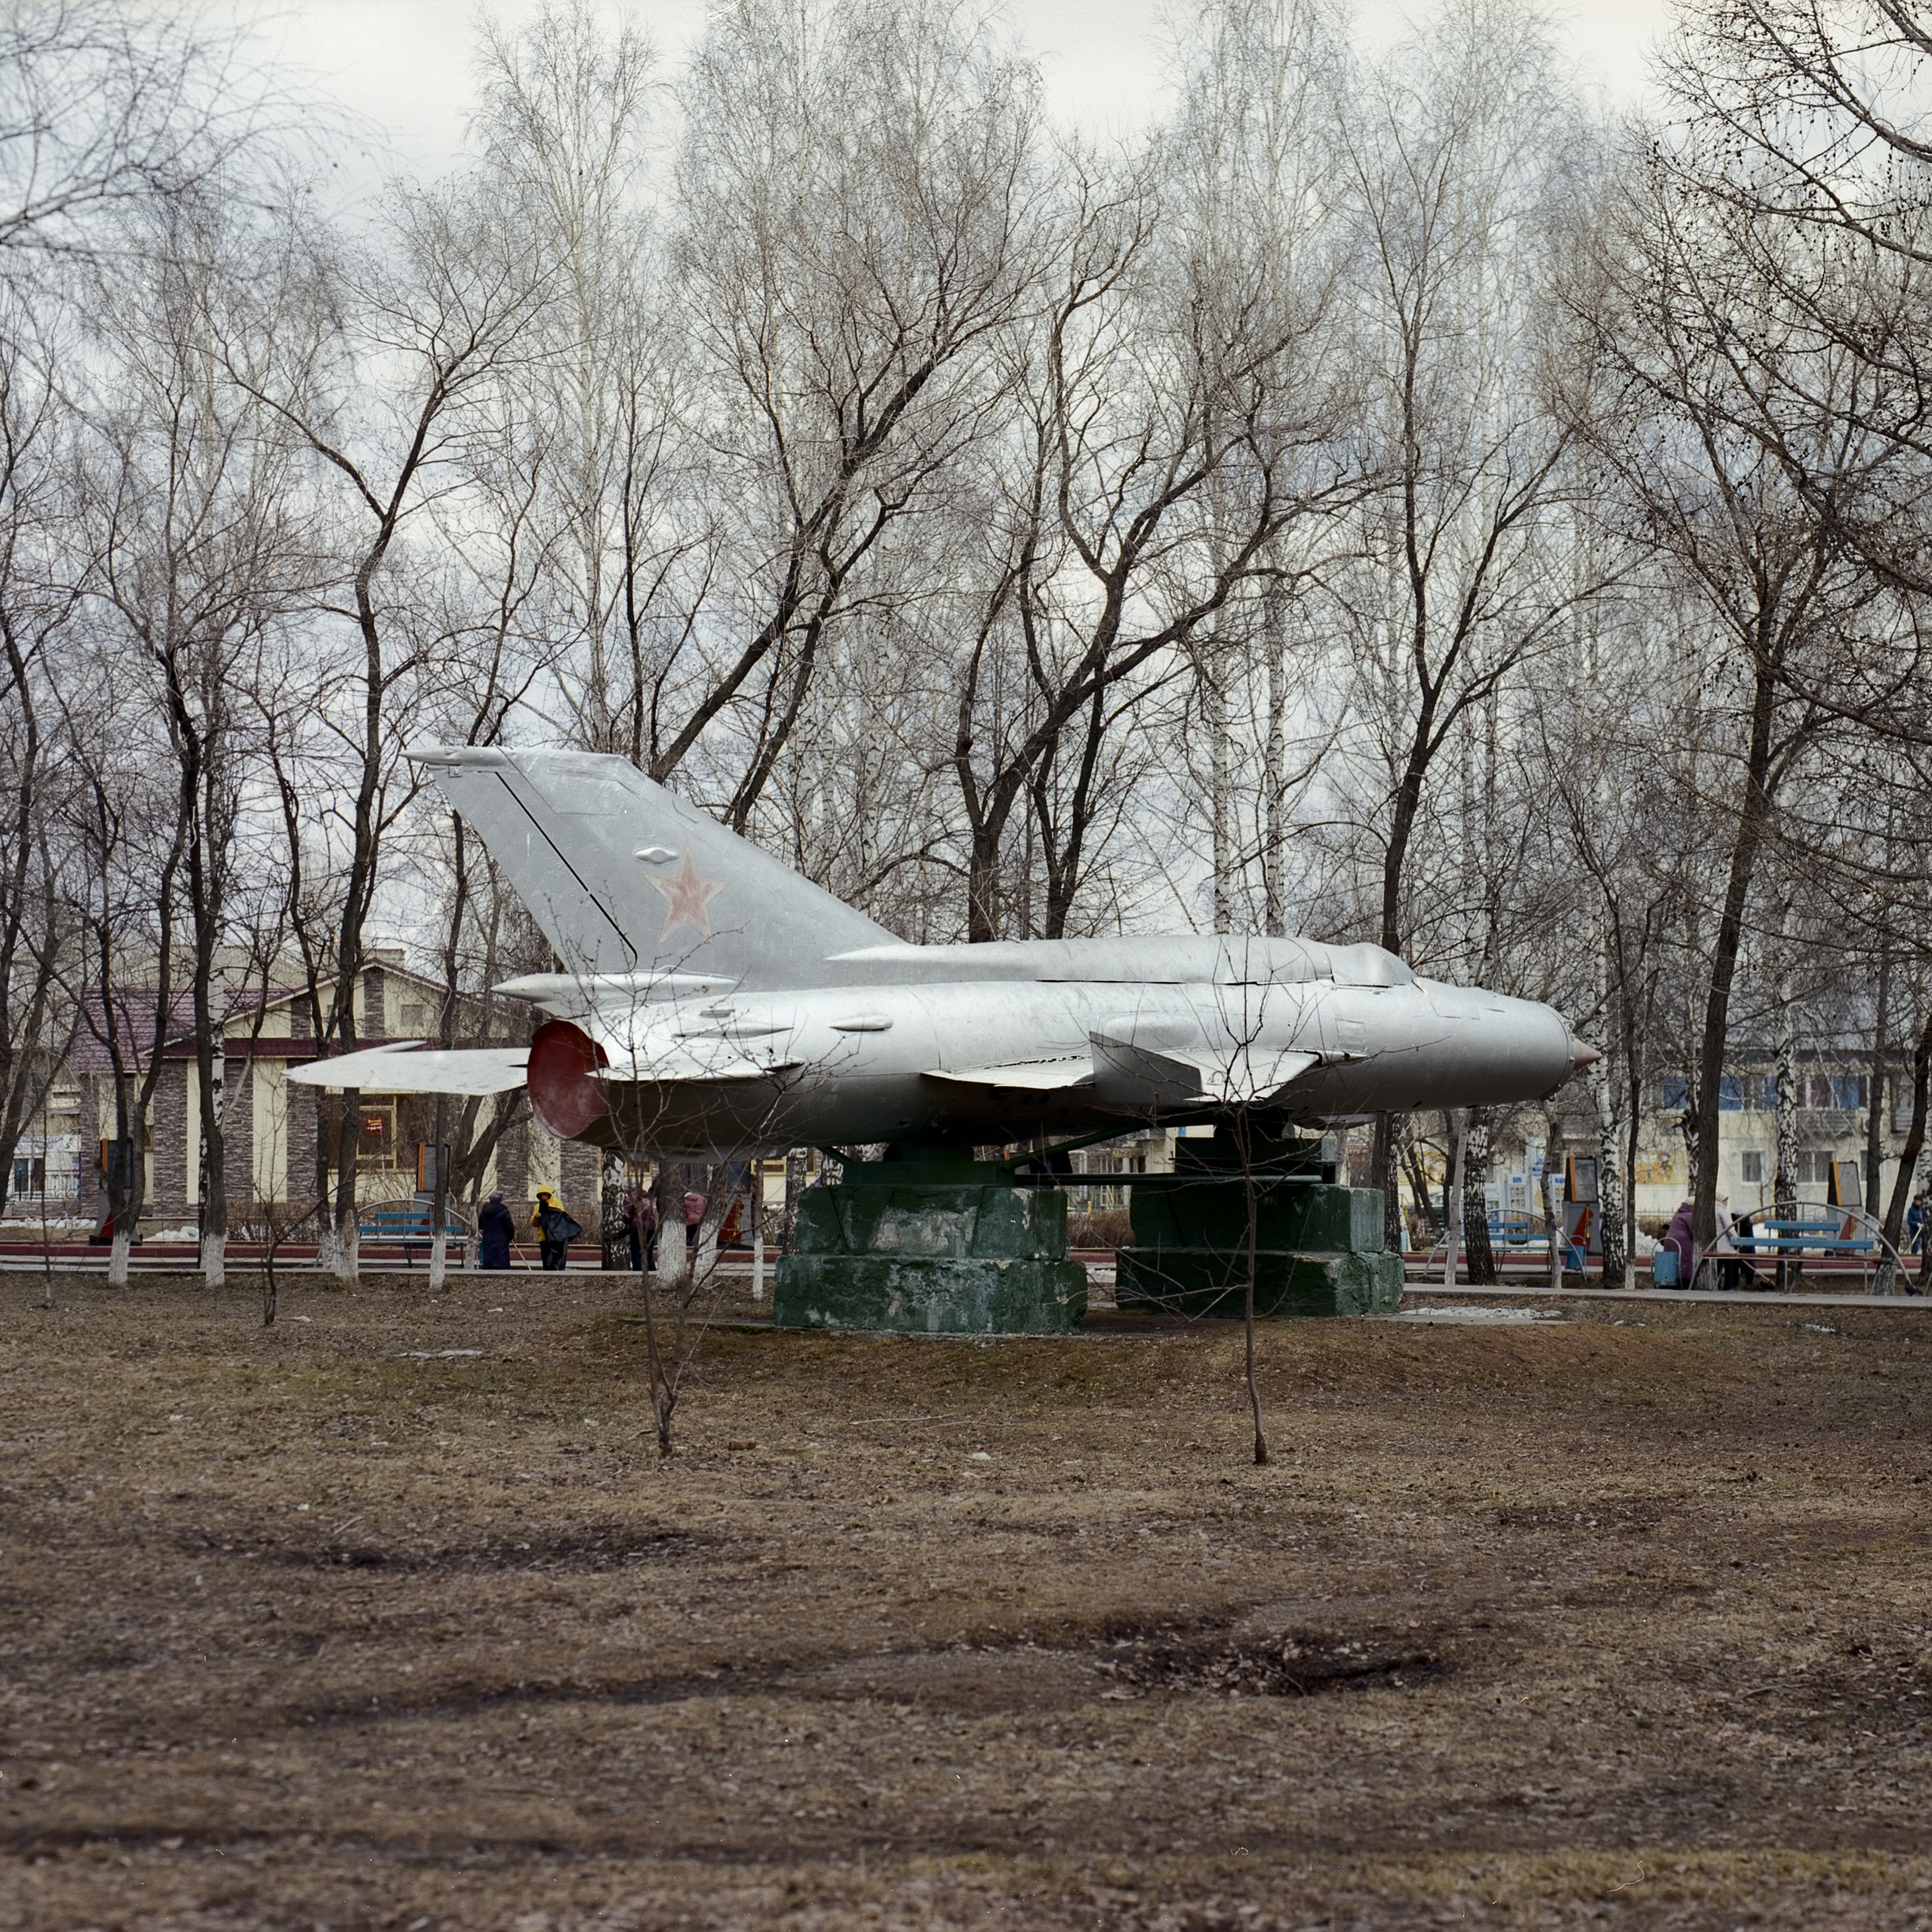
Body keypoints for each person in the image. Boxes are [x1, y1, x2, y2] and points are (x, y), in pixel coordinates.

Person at [531, 1186, 574, 1272]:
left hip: (556, 1237)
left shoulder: (557, 1203)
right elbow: (534, 1224)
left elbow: (560, 1216)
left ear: (549, 1195)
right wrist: (536, 1218)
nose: (543, 1197)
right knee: (546, 1260)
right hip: (544, 1237)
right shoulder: (538, 1207)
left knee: (557, 1260)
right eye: (541, 1195)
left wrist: (547, 1210)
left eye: (545, 1195)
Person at [622, 1186, 658, 1273]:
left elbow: (626, 1216)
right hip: (651, 1229)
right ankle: (653, 1274)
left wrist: (626, 1222)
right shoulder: (647, 1198)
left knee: (636, 1254)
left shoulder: (630, 1199)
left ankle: (637, 1275)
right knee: (648, 1254)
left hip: (636, 1229)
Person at [478, 1189, 515, 1270]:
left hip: (487, 1238)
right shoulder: (504, 1211)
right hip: (501, 1239)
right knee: (501, 1261)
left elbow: (480, 1225)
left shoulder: (484, 1211)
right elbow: (509, 1226)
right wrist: (511, 1237)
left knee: (488, 1259)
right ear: (501, 1200)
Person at [1661, 1198, 1694, 1287]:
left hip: (1671, 1241)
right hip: (1684, 1242)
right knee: (1685, 1261)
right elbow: (1694, 1231)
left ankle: (1668, 1282)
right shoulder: (1690, 1215)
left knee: (1673, 1261)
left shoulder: (1678, 1214)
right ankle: (1683, 1283)